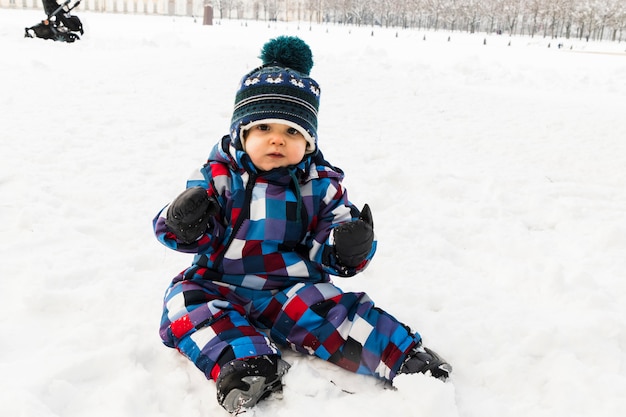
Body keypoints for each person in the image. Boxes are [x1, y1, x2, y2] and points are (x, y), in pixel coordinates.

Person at [153, 36, 451, 413]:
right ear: (242, 133)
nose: (277, 139)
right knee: (185, 303)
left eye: (293, 131)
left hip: (291, 288)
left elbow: (331, 240)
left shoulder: (320, 186)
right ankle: (246, 362)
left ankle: (402, 356)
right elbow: (185, 233)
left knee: (333, 314)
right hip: (218, 281)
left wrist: (348, 246)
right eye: (264, 128)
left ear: (309, 142)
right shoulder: (217, 178)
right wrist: (183, 222)